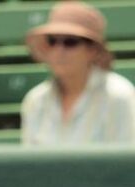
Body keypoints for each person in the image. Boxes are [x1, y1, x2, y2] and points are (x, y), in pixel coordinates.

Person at [21, 1, 135, 145]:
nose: (59, 51)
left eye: (70, 42)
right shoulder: (35, 101)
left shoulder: (119, 97)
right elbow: (30, 164)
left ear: (92, 50)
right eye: (52, 41)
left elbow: (128, 163)